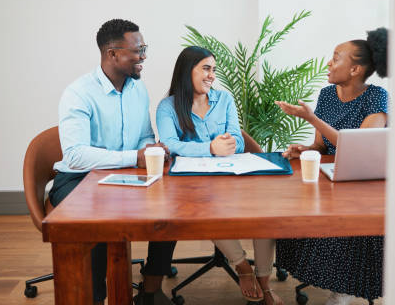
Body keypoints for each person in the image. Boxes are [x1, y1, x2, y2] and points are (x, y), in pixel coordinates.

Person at [49, 19, 176, 305]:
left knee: (170, 204)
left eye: (144, 48)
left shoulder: (137, 90)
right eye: (137, 50)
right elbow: (76, 155)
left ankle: (151, 288)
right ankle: (96, 297)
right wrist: (134, 156)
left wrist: (151, 150)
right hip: (79, 178)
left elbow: (144, 135)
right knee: (99, 219)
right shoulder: (79, 93)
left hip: (124, 175)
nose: (144, 56)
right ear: (112, 54)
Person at [156, 46, 284, 305]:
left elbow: (236, 135)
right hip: (192, 185)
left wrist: (230, 142)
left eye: (213, 70)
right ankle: (242, 266)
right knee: (206, 208)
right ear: (186, 71)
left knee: (264, 213)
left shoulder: (223, 99)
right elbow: (170, 144)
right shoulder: (167, 107)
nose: (211, 75)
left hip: (229, 175)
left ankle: (264, 280)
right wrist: (209, 148)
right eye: (205, 68)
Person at [274, 28, 389, 305]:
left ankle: (345, 288)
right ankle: (324, 274)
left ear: (355, 69)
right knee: (296, 210)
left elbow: (358, 148)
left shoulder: (377, 97)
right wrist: (305, 149)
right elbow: (323, 146)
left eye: (336, 58)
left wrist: (312, 119)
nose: (328, 63)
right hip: (333, 174)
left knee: (345, 219)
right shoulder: (327, 95)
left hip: (365, 181)